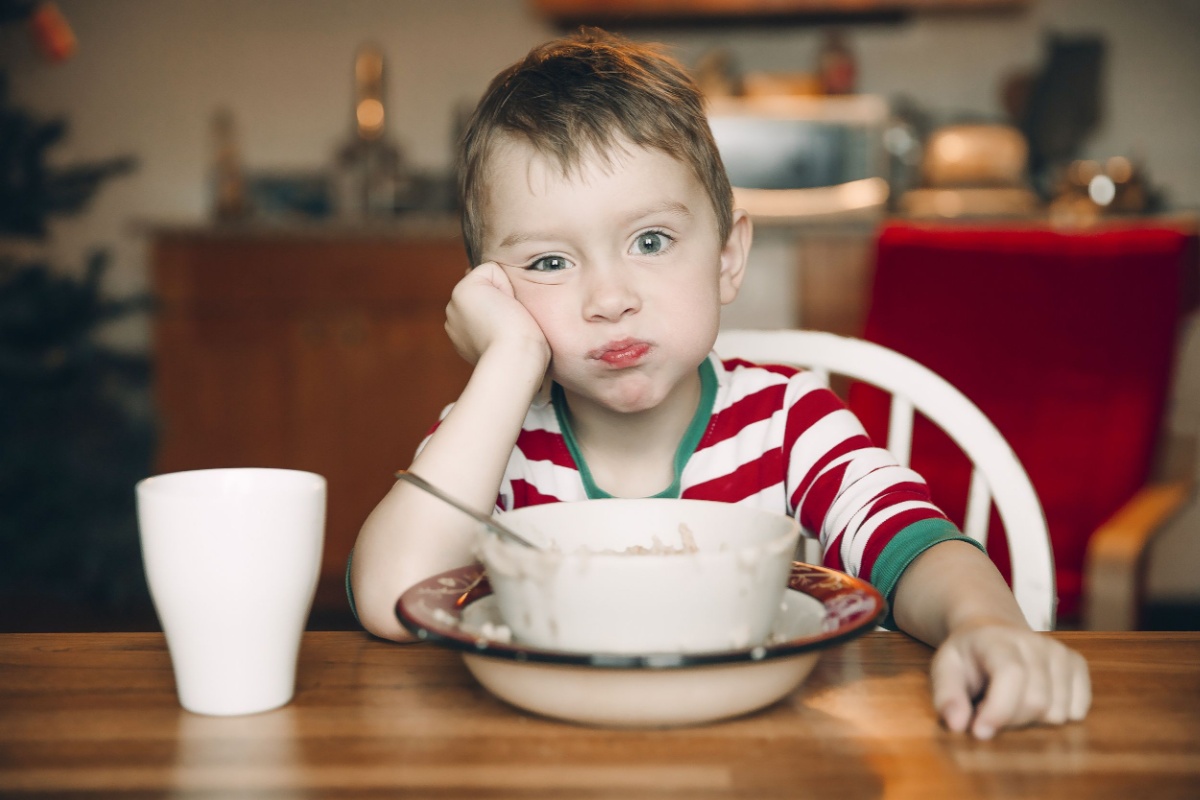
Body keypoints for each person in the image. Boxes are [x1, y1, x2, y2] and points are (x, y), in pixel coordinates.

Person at [350, 28, 1090, 740]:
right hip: (553, 754)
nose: (609, 299)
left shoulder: (790, 420)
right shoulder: (492, 435)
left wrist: (985, 625)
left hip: (770, 752)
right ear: (493, 295)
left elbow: (916, 544)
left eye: (650, 240)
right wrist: (506, 362)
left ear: (728, 257)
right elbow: (391, 598)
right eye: (549, 262)